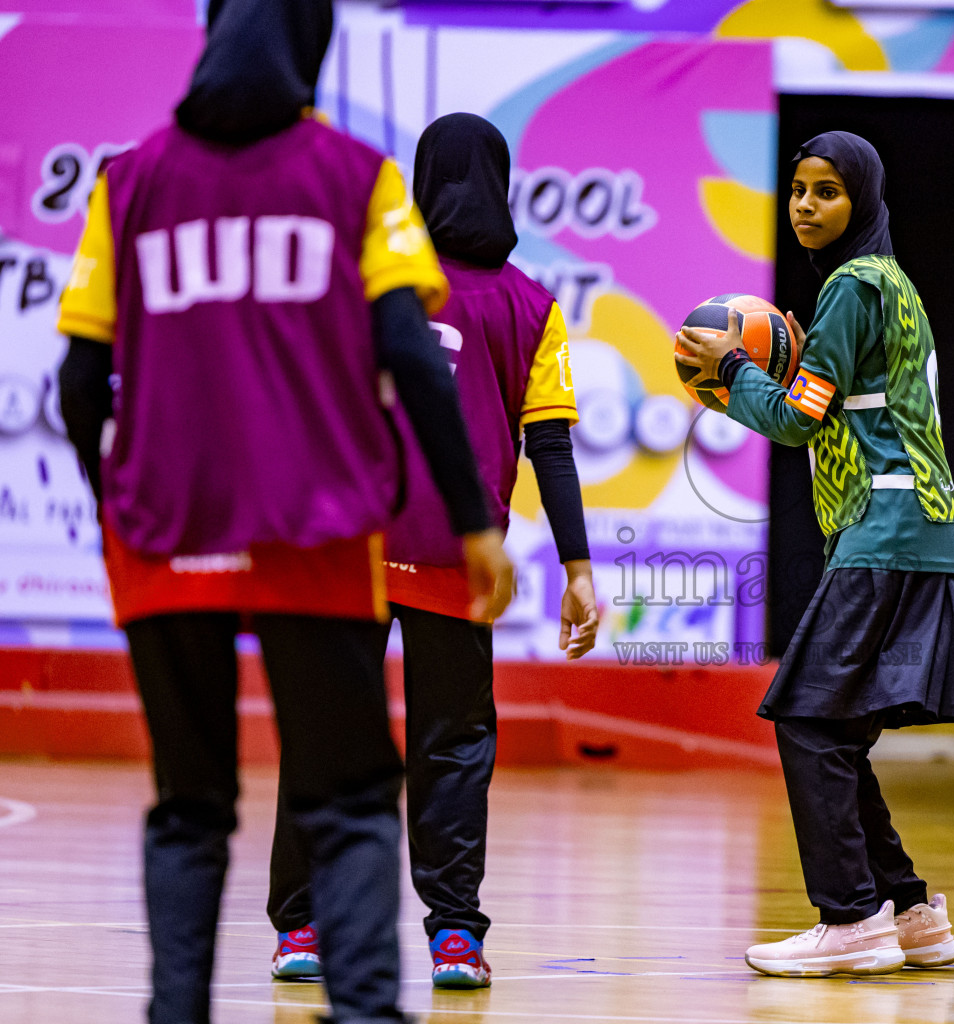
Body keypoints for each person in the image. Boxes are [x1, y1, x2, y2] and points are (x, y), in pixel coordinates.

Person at [54, 2, 514, 1021]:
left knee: (189, 806)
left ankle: (177, 1008)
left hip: (169, 535)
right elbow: (410, 359)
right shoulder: (357, 180)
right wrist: (477, 528)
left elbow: (81, 384)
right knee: (347, 798)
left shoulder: (128, 182)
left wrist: (112, 507)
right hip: (315, 533)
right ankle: (366, 1010)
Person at [266, 112, 599, 989]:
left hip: (350, 546)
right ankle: (455, 936)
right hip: (459, 551)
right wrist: (579, 570)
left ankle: (300, 928)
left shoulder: (371, 281)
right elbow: (553, 448)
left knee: (328, 732)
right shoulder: (533, 305)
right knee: (452, 747)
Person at [676, 131, 954, 978]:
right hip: (923, 532)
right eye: (799, 189)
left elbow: (800, 417)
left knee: (806, 718)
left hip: (886, 532)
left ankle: (849, 920)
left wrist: (732, 370)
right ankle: (909, 911)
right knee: (833, 725)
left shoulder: (850, 285)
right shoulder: (892, 285)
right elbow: (840, 406)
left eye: (827, 191)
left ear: (862, 202)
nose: (806, 205)